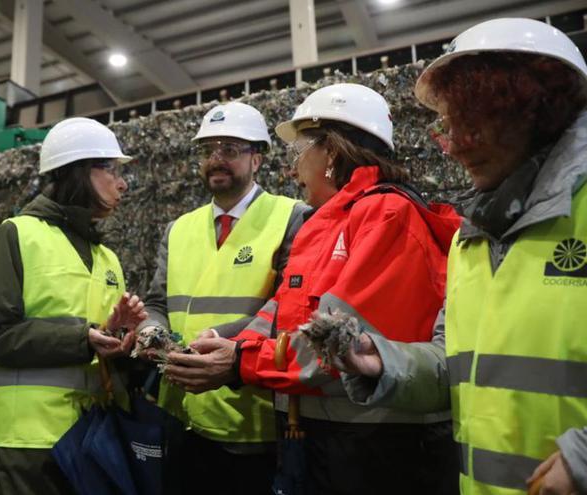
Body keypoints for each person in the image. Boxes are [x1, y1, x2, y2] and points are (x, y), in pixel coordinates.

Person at [164, 83, 462, 494]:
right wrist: (233, 341)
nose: (292, 170)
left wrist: (239, 361)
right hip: (326, 437)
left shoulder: (386, 215)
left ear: (332, 154)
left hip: (375, 447)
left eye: (299, 153)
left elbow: (332, 343)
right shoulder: (333, 219)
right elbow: (289, 307)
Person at [337, 18, 587, 495]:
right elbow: (456, 365)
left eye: (476, 123)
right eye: (451, 125)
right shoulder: (469, 238)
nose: (455, 147)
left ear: (540, 111)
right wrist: (383, 363)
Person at [137, 101, 308, 494]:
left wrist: (225, 346)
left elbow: (289, 306)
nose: (216, 159)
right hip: (179, 416)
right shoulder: (178, 229)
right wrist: (150, 331)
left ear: (257, 159)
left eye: (230, 149)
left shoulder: (292, 217)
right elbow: (157, 303)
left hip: (252, 421)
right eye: (208, 150)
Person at [0, 117, 146, 495]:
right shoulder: (17, 234)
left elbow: (103, 342)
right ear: (79, 171)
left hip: (94, 438)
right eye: (111, 169)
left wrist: (127, 339)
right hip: (29, 446)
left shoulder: (107, 258)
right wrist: (85, 339)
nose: (122, 183)